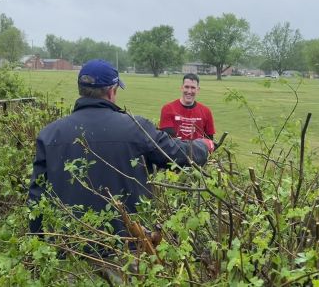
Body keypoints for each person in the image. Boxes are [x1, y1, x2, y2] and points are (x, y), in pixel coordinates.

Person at [28, 59, 214, 238]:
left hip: (69, 245)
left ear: (81, 90)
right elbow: (175, 154)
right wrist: (202, 146)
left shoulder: (49, 134)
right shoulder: (136, 127)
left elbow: (36, 197)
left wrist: (41, 245)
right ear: (111, 92)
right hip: (127, 246)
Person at [159, 73, 216, 140]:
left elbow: (209, 141)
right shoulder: (168, 109)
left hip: (197, 150)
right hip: (175, 150)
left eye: (193, 88)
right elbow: (168, 139)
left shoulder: (206, 112)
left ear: (198, 90)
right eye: (186, 87)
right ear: (182, 88)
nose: (189, 91)